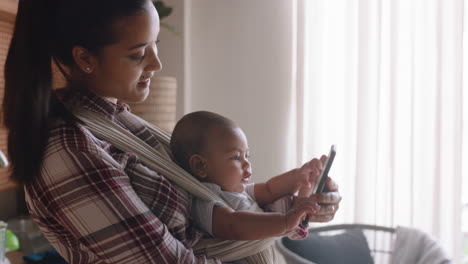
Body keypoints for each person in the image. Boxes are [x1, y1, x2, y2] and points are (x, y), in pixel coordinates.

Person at [3, 0, 342, 263]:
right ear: (85, 58)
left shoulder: (119, 121)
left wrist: (300, 204)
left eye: (154, 44)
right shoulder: (69, 150)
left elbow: (210, 204)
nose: (156, 64)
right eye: (138, 55)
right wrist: (280, 223)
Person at [170, 111, 323, 242]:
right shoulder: (204, 202)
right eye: (236, 157)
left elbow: (270, 189)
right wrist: (284, 222)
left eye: (247, 156)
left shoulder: (238, 191)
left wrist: (298, 176)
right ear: (200, 166)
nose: (247, 164)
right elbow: (233, 225)